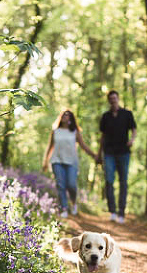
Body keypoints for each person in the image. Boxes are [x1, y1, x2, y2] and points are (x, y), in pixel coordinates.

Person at [43, 109, 97, 218]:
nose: (65, 116)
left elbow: (83, 146)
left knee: (71, 185)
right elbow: (50, 147)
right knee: (60, 185)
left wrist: (94, 155)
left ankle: (73, 202)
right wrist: (45, 162)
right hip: (57, 161)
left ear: (71, 118)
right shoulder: (55, 131)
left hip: (72, 162)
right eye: (63, 114)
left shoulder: (75, 132)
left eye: (67, 115)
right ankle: (64, 209)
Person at [97, 90, 136, 224]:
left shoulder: (127, 114)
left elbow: (134, 129)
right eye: (111, 98)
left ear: (118, 99)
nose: (113, 100)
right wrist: (99, 153)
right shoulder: (105, 116)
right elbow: (102, 136)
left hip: (124, 152)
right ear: (109, 100)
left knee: (123, 182)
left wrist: (132, 139)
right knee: (109, 181)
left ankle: (121, 212)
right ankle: (112, 211)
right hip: (108, 153)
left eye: (115, 98)